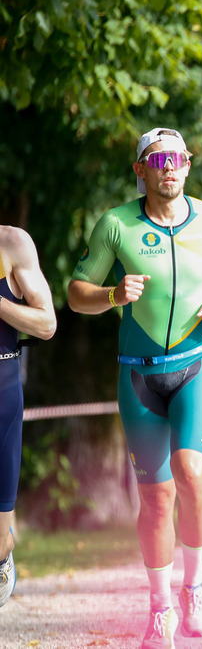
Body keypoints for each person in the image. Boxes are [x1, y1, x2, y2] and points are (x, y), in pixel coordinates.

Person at [67, 128, 202, 648]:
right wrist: (111, 292)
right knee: (155, 496)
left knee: (192, 472)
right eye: (159, 159)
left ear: (189, 165)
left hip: (197, 364)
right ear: (140, 169)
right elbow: (77, 295)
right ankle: (160, 607)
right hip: (139, 372)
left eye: (179, 158)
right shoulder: (117, 225)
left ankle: (195, 587)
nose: (170, 167)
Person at [0, 226, 57, 608]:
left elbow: (47, 324)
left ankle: (4, 553)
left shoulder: (12, 243)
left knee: (0, 535)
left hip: (2, 389)